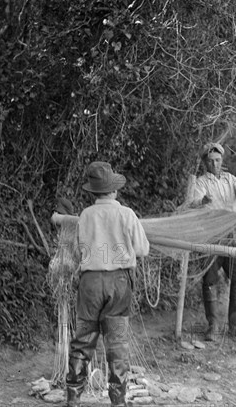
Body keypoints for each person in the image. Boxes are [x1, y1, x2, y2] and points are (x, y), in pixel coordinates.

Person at [66, 161, 150, 407]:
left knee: (83, 340)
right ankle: (118, 400)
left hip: (90, 283)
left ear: (92, 192)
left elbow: (76, 251)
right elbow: (142, 248)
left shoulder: (85, 215)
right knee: (117, 342)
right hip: (119, 284)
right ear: (113, 190)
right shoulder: (126, 214)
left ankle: (73, 397)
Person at [189, 142, 236, 341]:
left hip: (229, 237)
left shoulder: (230, 180)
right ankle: (213, 325)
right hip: (210, 237)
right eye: (210, 161)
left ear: (222, 161)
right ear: (205, 163)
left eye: (218, 160)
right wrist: (202, 202)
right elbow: (193, 201)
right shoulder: (202, 183)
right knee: (209, 280)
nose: (214, 164)